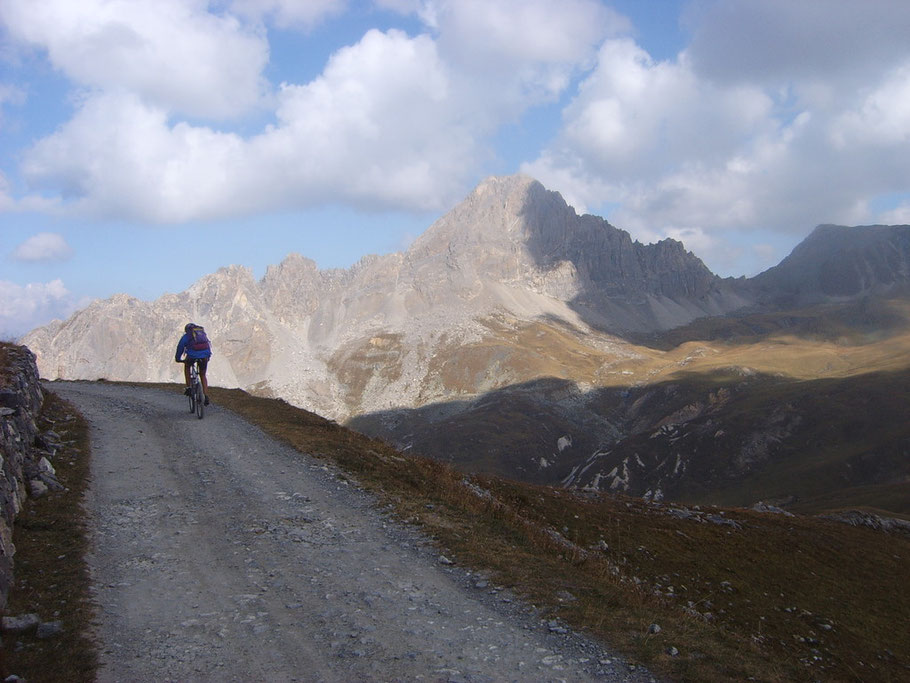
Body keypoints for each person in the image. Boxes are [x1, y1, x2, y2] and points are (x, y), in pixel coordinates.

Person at [175, 322, 212, 405]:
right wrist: (207, 357)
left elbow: (180, 347)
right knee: (203, 375)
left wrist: (178, 359)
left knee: (187, 366)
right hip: (205, 355)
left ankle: (188, 388)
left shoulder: (187, 336)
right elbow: (208, 346)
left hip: (192, 355)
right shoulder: (202, 335)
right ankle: (206, 396)